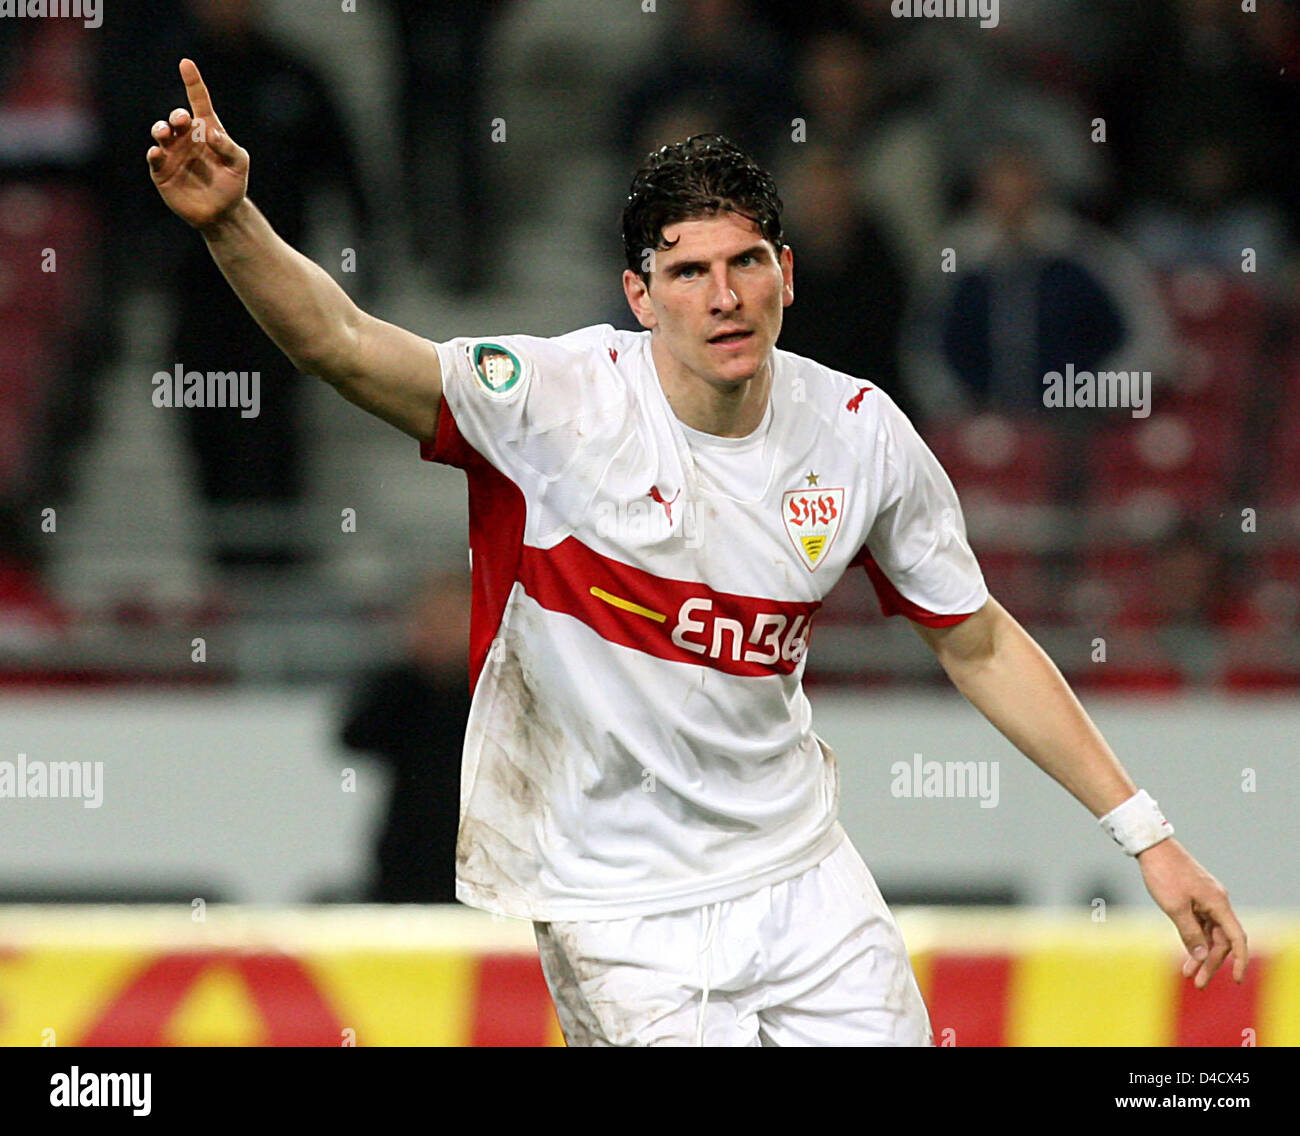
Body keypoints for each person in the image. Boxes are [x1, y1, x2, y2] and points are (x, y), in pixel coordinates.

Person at [146, 60, 1248, 1047]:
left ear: (787, 273)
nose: (722, 295)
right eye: (686, 271)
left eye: (747, 261)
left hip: (803, 876)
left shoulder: (860, 433)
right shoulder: (554, 400)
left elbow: (979, 641)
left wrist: (1146, 833)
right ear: (640, 295)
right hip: (614, 900)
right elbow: (339, 342)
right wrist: (231, 222)